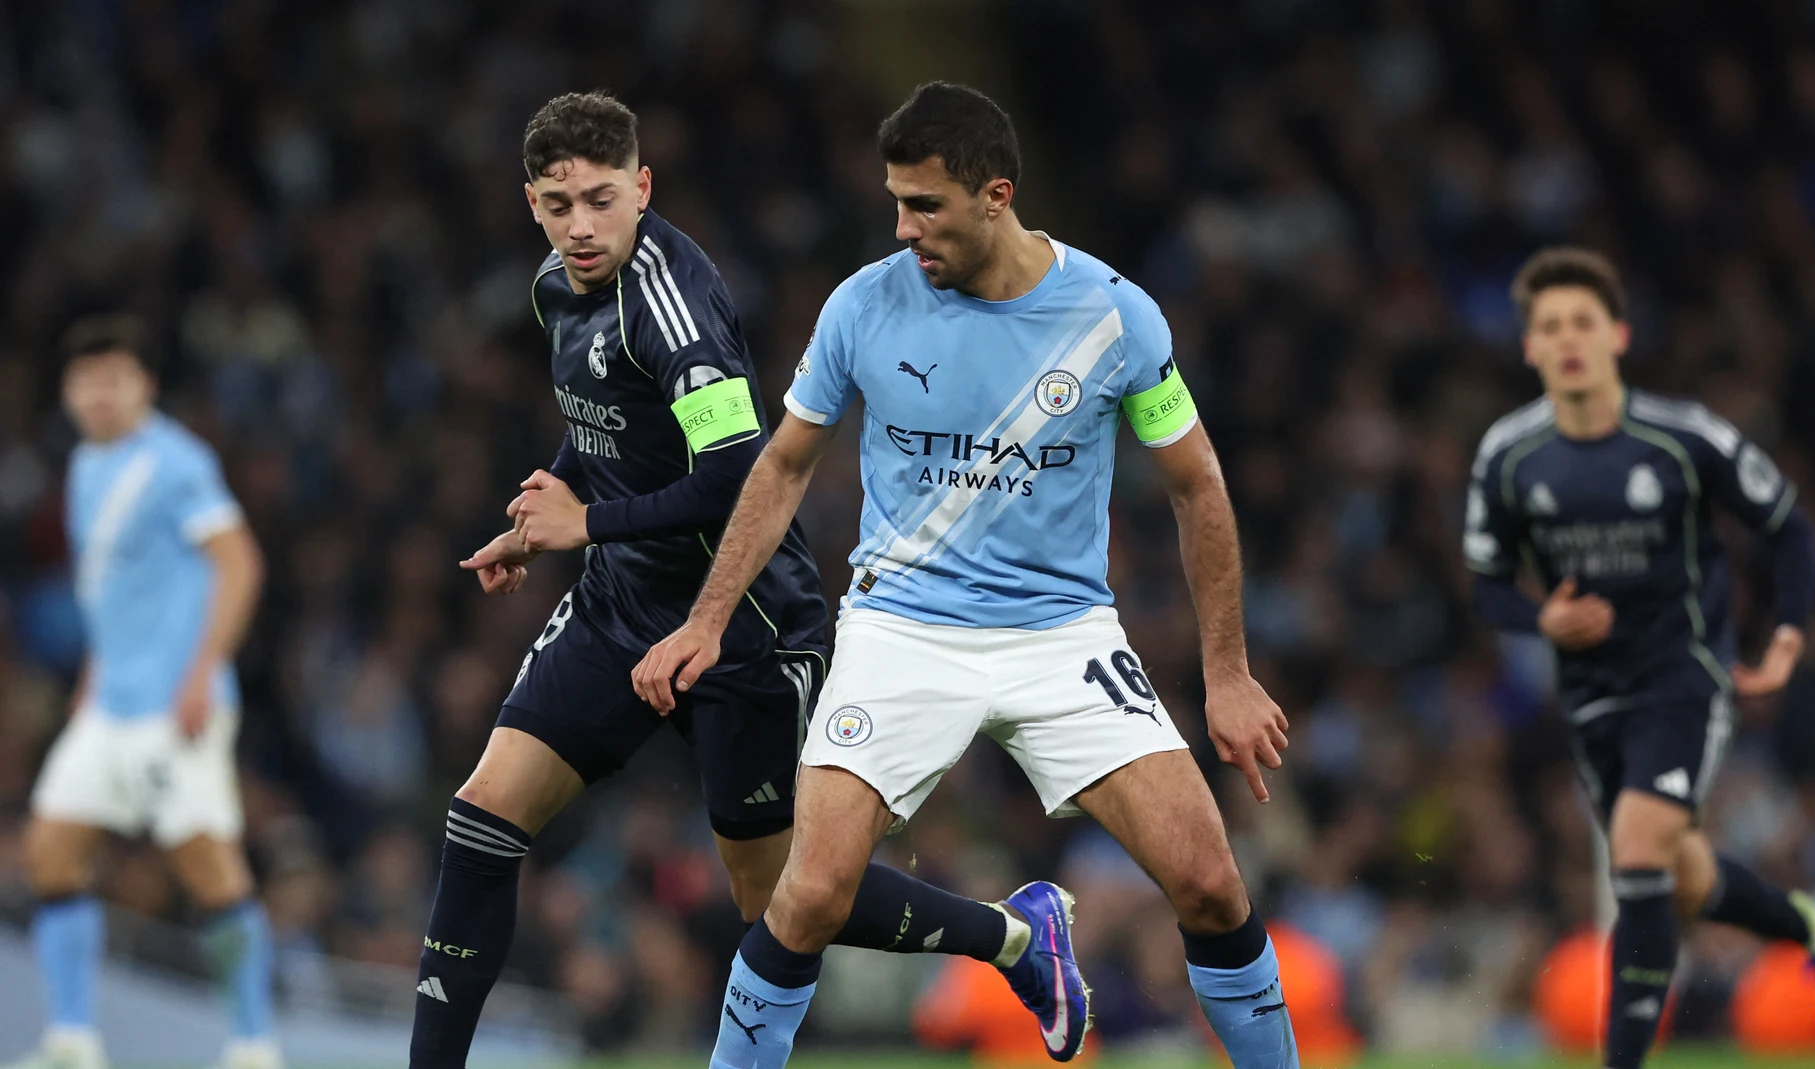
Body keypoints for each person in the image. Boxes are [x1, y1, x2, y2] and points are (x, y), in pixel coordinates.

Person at [635, 82, 1299, 1069]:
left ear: (997, 195)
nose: (903, 228)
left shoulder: (1116, 319)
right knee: (808, 892)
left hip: (1061, 633)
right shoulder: (864, 304)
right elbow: (782, 464)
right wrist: (705, 619)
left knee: (1208, 880)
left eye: (925, 205)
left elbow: (1198, 487)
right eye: (895, 202)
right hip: (902, 623)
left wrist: (1228, 672)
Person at [412, 91, 1064, 1068]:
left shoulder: (670, 300)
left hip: (745, 620)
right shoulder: (556, 287)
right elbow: (608, 420)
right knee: (482, 817)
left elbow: (735, 472)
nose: (580, 226)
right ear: (532, 204)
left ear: (641, 187)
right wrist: (546, 504)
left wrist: (581, 524)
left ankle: (1013, 938)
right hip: (622, 601)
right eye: (557, 205)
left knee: (779, 900)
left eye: (599, 199)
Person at [1464, 247, 1815, 1068]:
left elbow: (1788, 524)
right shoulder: (1508, 455)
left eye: (1583, 321)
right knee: (1676, 874)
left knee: (1638, 850)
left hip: (1683, 673)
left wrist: (1787, 636)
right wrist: (1544, 616)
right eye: (1550, 326)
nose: (1568, 339)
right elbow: (1486, 585)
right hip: (1591, 693)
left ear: (1617, 334)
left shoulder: (1681, 438)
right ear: (1529, 348)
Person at [9, 317, 275, 1069]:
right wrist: (97, 668)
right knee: (51, 850)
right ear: (68, 391)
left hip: (175, 703)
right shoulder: (88, 464)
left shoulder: (175, 463)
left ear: (143, 384)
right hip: (111, 702)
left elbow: (240, 564)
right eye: (85, 380)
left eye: (114, 378)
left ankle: (254, 1046)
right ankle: (72, 1040)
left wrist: (199, 673)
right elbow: (120, 588)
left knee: (207, 867)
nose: (99, 393)